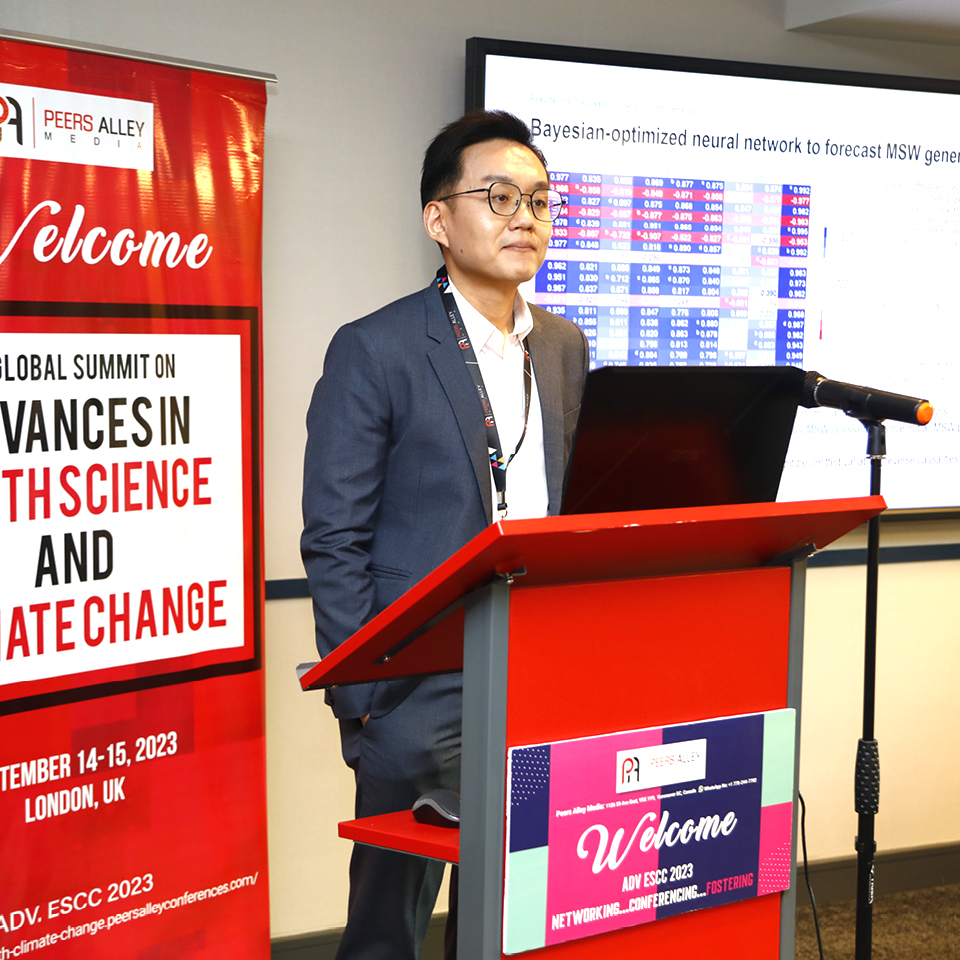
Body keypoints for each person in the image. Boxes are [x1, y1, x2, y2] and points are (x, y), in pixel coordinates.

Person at [301, 110, 589, 960]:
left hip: (537, 672)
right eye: (499, 197)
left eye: (539, 200)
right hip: (417, 687)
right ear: (438, 219)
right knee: (388, 926)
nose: (524, 218)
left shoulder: (563, 346)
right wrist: (364, 696)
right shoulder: (376, 348)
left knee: (514, 911)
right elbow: (335, 537)